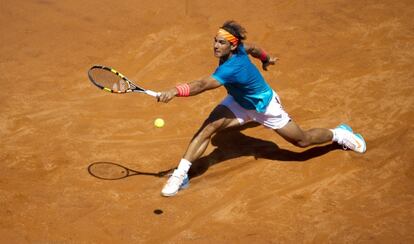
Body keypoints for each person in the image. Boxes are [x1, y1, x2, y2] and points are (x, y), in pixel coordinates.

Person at [157, 20, 366, 197]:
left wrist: (175, 91)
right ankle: (181, 174)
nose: (215, 46)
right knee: (208, 129)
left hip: (265, 107)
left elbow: (202, 85)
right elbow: (254, 48)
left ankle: (339, 134)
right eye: (215, 40)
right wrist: (266, 59)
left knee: (302, 141)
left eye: (221, 43)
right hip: (238, 102)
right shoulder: (239, 48)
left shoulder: (231, 67)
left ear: (231, 46)